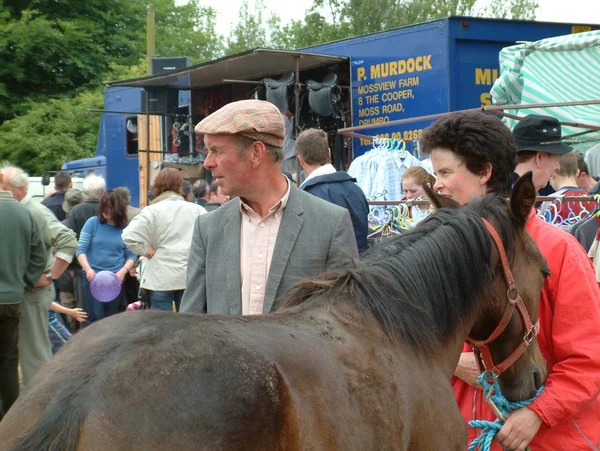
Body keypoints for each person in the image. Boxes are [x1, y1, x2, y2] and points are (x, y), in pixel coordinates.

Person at [421, 111, 600, 450]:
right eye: (434, 174)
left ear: (485, 172)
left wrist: (538, 413)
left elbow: (588, 359)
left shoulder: (559, 251)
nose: (438, 184)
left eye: (444, 172)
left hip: (548, 440)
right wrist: (448, 361)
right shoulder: (439, 255)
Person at [180, 99, 358, 315]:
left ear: (256, 153)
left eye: (217, 151)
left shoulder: (330, 224)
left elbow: (345, 323)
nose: (207, 163)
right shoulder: (208, 228)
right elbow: (190, 324)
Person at [0, 165, 78, 386]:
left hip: (32, 293)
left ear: (19, 190)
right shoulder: (20, 211)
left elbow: (68, 240)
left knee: (33, 356)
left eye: (3, 187)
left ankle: (38, 411)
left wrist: (51, 275)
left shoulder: (33, 211)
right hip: (23, 292)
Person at [122, 168, 207, 312]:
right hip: (188, 275)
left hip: (159, 278)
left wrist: (146, 251)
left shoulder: (151, 211)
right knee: (188, 325)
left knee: (162, 327)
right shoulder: (197, 210)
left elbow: (128, 236)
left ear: (157, 185)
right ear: (180, 185)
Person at [0, 179, 47, 417]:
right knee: (8, 359)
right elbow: (40, 255)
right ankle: (9, 415)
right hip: (12, 298)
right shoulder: (24, 212)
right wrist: (25, 282)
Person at [296, 128, 369, 252]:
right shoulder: (356, 189)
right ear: (329, 153)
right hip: (362, 266)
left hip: (329, 270)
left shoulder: (304, 197)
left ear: (300, 160)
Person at [76, 190, 136, 323]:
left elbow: (131, 255)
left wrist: (123, 272)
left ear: (117, 208)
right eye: (104, 206)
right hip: (94, 278)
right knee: (95, 318)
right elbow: (80, 250)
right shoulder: (92, 223)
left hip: (115, 279)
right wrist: (88, 269)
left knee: (112, 318)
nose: (106, 211)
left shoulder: (125, 228)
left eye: (110, 207)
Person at [64, 174, 105, 322]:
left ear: (85, 192)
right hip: (108, 269)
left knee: (85, 311)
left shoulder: (76, 211)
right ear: (102, 191)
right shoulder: (108, 210)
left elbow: (69, 240)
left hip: (81, 269)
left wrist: (70, 265)